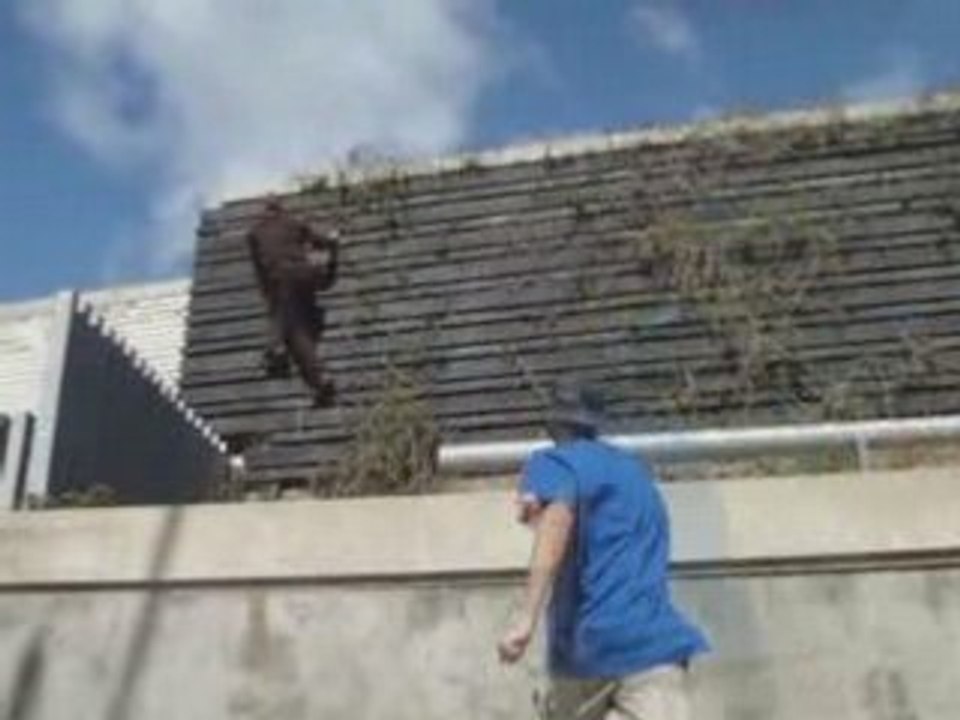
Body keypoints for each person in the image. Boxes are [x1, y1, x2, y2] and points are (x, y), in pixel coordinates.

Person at [498, 380, 708, 720]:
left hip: (590, 647)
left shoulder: (554, 462)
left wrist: (524, 618)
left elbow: (556, 521)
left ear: (552, 424)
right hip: (655, 647)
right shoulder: (634, 472)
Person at [246, 199, 340, 407]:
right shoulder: (293, 222)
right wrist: (332, 242)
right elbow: (320, 241)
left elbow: (260, 270)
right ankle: (320, 380)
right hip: (305, 277)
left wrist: (268, 294)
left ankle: (275, 349)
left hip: (281, 281)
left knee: (280, 316)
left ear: (264, 213)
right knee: (298, 335)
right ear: (281, 210)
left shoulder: (254, 233)